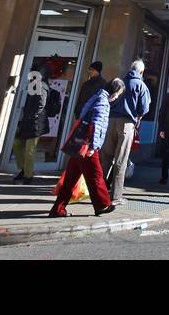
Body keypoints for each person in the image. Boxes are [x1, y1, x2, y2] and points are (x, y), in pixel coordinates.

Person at [48, 77, 121, 218]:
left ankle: (58, 208)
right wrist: (93, 146)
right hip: (87, 145)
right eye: (118, 93)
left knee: (70, 178)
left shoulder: (97, 96)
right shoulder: (103, 102)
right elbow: (96, 124)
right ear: (114, 91)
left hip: (79, 144)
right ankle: (102, 204)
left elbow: (83, 115)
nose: (117, 97)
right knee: (95, 175)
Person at [102, 59, 149, 200]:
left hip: (110, 121)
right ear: (141, 72)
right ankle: (116, 196)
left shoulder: (119, 81)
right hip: (126, 123)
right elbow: (144, 108)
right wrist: (138, 116)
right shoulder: (140, 85)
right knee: (120, 160)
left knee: (106, 158)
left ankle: (98, 192)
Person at [12, 69, 59, 183]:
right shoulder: (36, 85)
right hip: (29, 122)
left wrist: (31, 116)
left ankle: (28, 175)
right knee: (18, 144)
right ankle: (24, 170)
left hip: (36, 122)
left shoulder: (41, 86)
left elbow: (40, 105)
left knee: (29, 149)